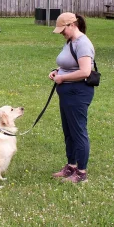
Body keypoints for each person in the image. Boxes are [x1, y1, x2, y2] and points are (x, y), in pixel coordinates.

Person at [48, 12, 95, 183]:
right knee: (69, 132)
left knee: (78, 132)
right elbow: (68, 64)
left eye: (63, 29)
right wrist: (57, 71)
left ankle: (81, 173)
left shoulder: (83, 43)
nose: (61, 33)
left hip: (78, 92)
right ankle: (71, 166)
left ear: (72, 25)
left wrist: (62, 78)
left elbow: (85, 72)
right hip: (67, 91)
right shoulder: (71, 41)